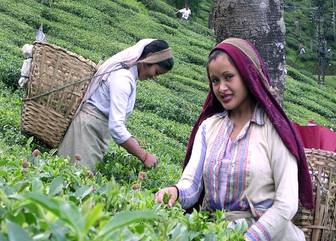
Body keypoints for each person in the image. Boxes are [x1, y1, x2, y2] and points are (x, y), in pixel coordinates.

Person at [155, 38, 313, 240]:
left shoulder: (275, 130)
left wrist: (248, 238)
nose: (221, 88)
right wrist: (175, 192)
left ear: (248, 76)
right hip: (217, 233)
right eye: (215, 80)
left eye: (229, 77)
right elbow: (192, 185)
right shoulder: (208, 128)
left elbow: (286, 203)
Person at [58, 39, 174, 171]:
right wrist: (144, 156)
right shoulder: (123, 78)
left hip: (94, 131)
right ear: (149, 58)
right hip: (87, 132)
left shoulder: (128, 76)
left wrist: (132, 140)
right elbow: (116, 127)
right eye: (157, 72)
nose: (154, 77)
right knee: (73, 180)